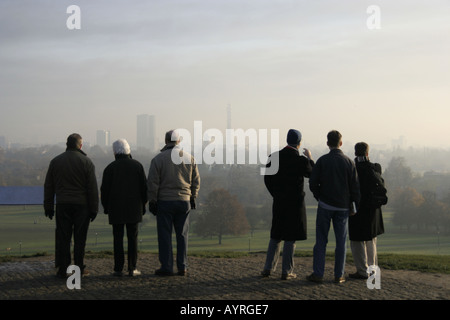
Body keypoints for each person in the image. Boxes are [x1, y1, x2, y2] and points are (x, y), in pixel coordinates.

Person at [307, 130, 360, 283]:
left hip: (325, 205)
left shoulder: (322, 161)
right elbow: (355, 188)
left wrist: (319, 197)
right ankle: (339, 274)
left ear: (327, 143)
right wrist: (353, 205)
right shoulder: (349, 162)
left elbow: (312, 182)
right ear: (341, 143)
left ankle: (318, 273)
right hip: (343, 207)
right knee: (341, 242)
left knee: (321, 241)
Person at [261, 129, 314, 280]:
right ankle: (287, 271)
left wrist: (276, 194)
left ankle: (268, 268)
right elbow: (313, 173)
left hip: (279, 201)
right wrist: (310, 158)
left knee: (276, 234)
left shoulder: (274, 157)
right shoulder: (301, 160)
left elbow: (267, 179)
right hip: (295, 202)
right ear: (299, 143)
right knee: (291, 237)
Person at [44, 133, 99, 278]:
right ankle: (79, 268)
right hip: (82, 206)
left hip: (62, 204)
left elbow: (49, 186)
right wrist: (94, 208)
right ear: (80, 145)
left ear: (66, 144)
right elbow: (92, 188)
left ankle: (64, 268)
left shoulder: (56, 161)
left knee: (64, 238)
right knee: (80, 239)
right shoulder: (86, 162)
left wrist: (48, 206)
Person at [147, 130, 200, 276]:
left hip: (165, 201)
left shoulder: (158, 159)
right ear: (179, 141)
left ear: (165, 141)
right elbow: (196, 180)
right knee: (182, 235)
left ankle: (167, 266)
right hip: (184, 201)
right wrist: (193, 196)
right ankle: (182, 266)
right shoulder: (190, 158)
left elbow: (152, 182)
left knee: (165, 235)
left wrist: (152, 200)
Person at [100, 139, 148, 277]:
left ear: (115, 152)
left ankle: (118, 268)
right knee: (132, 238)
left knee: (118, 238)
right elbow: (144, 188)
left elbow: (104, 190)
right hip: (134, 207)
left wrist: (106, 207)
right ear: (128, 150)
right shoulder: (137, 166)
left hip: (116, 208)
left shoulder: (110, 168)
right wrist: (143, 204)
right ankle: (132, 267)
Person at [348, 142, 386, 279]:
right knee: (371, 240)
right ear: (367, 153)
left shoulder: (352, 168)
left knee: (357, 242)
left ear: (355, 152)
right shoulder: (376, 168)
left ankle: (362, 270)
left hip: (356, 208)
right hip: (373, 209)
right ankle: (373, 270)